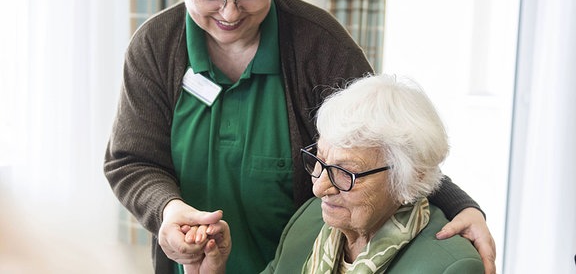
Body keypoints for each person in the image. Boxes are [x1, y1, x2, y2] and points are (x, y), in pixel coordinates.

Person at [103, 0, 496, 273]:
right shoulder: (156, 46)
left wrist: (461, 204)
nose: (229, 12)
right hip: (197, 265)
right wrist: (168, 212)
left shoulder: (318, 44)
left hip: (295, 262)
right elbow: (131, 160)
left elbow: (384, 144)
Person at [183, 74, 485, 274]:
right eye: (320, 161)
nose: (319, 188)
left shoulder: (451, 267)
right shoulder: (312, 220)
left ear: (409, 178)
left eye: (344, 173)